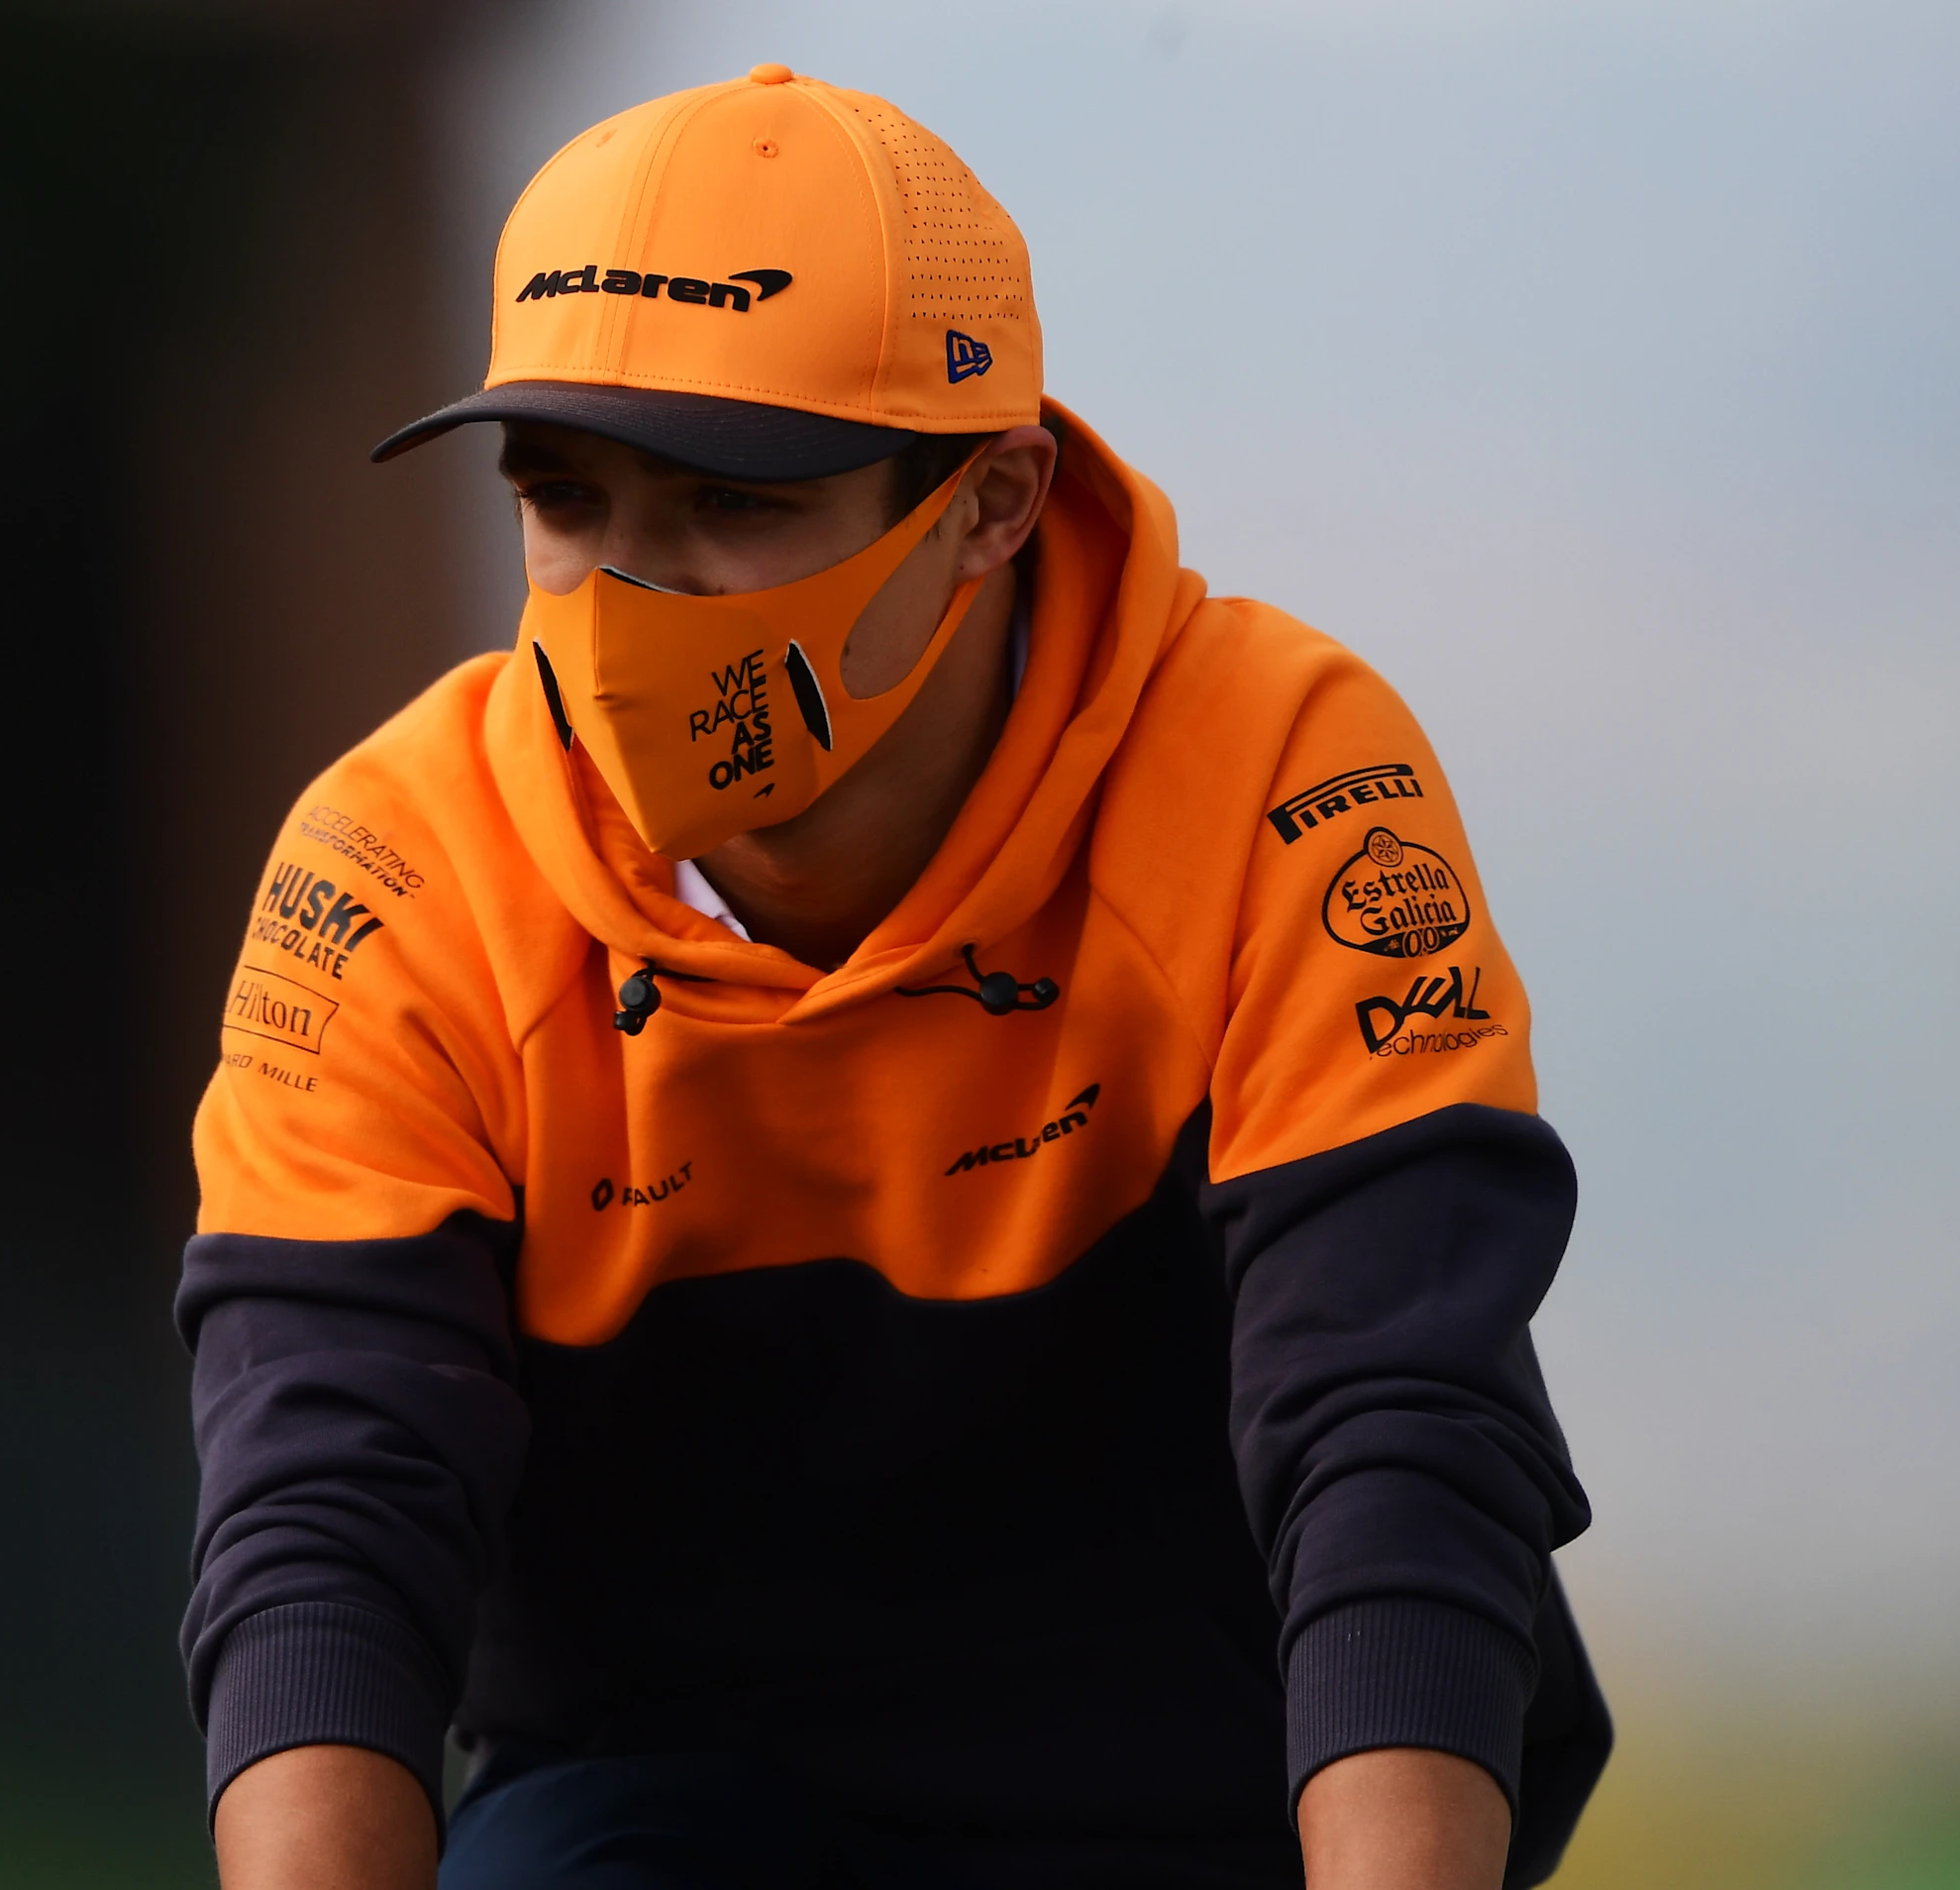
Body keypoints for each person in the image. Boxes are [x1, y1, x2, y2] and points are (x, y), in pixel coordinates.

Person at [177, 64, 1607, 1890]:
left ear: (992, 501)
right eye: (566, 496)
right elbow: (325, 1522)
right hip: (667, 1800)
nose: (630, 592)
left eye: (728, 503)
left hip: (1232, 1784)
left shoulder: (1280, 772)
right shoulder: (398, 872)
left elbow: (1397, 1434)